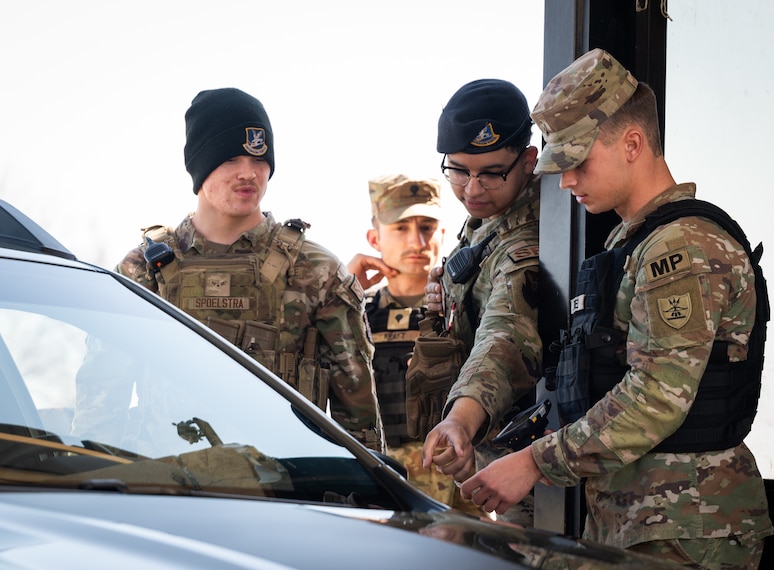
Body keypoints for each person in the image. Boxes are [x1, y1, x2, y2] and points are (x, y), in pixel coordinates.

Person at [457, 49, 774, 570]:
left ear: (633, 144)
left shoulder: (682, 249)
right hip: (639, 524)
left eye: (579, 162)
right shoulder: (633, 244)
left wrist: (533, 463)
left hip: (687, 528)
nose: (566, 181)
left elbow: (655, 398)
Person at [112, 87, 384, 452]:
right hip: (166, 487)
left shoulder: (316, 270)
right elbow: (104, 394)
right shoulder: (141, 271)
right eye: (230, 160)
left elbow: (359, 417)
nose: (249, 174)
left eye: (259, 160)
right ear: (200, 163)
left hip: (284, 491)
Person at [418, 79, 545, 526]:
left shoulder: (526, 242)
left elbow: (505, 337)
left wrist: (460, 421)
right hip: (497, 464)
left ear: (528, 162)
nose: (472, 188)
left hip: (531, 476)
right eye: (458, 170)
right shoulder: (489, 223)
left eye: (491, 172)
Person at [347, 173, 483, 514]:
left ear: (441, 233)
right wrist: (343, 289)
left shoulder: (467, 310)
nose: (416, 241)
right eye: (401, 228)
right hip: (380, 481)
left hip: (459, 482)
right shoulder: (355, 313)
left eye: (426, 227)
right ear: (374, 238)